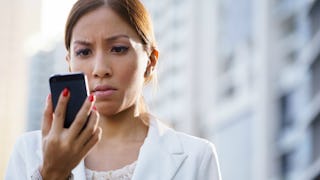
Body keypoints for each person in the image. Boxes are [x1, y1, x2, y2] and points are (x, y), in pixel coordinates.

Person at [5, 0, 222, 179]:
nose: (100, 69)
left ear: (151, 61)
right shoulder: (28, 153)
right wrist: (52, 173)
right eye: (84, 52)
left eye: (118, 49)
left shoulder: (197, 158)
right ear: (69, 62)